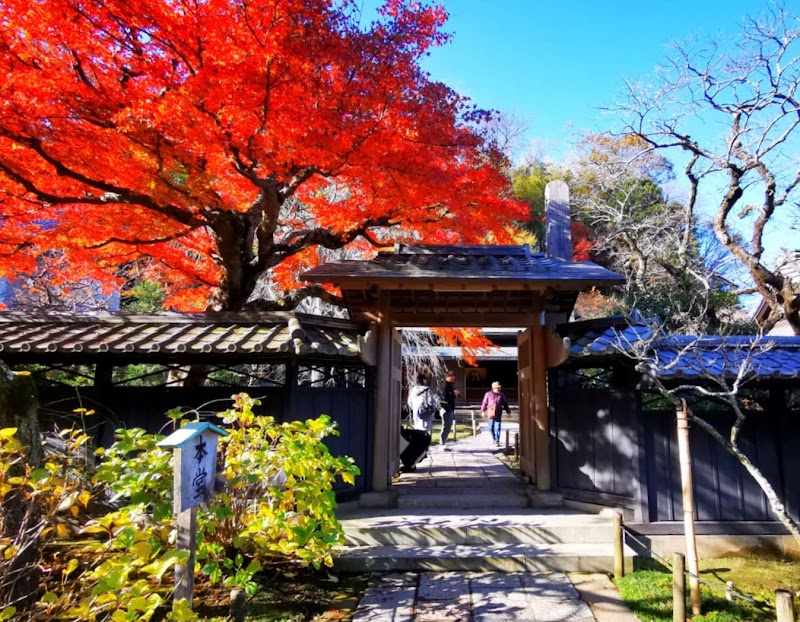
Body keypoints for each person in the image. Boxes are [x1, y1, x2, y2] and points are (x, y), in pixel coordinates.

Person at [481, 381, 510, 447]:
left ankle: (497, 440)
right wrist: (483, 411)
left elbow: (505, 403)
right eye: (497, 388)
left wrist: (508, 412)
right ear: (493, 388)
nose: (498, 389)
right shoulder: (488, 394)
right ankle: (494, 438)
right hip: (491, 413)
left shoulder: (501, 395)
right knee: (490, 427)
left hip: (498, 413)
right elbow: (484, 403)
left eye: (499, 388)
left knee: (498, 426)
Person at [439, 371, 460, 449]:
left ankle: (443, 442)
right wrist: (453, 394)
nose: (454, 378)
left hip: (450, 407)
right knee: (445, 426)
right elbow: (444, 397)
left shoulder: (451, 385)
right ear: (448, 376)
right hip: (445, 408)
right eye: (452, 376)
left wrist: (456, 394)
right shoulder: (444, 385)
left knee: (448, 426)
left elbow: (455, 394)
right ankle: (442, 443)